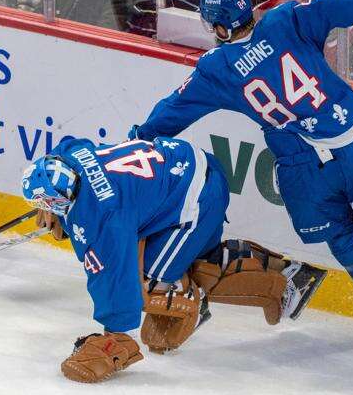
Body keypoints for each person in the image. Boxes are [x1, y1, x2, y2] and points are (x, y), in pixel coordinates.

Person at [129, 0, 353, 350]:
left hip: (300, 166)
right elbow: (339, 3)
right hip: (352, 141)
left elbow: (174, 109)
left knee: (337, 233)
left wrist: (139, 138)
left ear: (220, 28)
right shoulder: (285, 20)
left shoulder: (216, 68)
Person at [21, 136, 326, 382]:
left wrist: (117, 334)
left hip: (196, 198)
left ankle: (284, 283)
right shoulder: (72, 157)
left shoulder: (105, 219)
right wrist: (63, 212)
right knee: (178, 261)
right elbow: (68, 145)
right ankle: (282, 274)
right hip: (186, 169)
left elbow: (113, 278)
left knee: (148, 284)